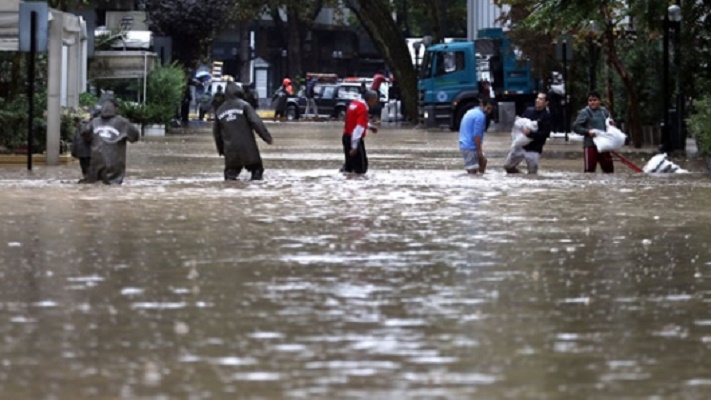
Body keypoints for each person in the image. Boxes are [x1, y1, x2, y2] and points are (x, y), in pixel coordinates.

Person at [213, 82, 273, 181]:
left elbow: (217, 134)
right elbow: (256, 122)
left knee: (230, 175)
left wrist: (221, 150)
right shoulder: (244, 106)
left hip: (230, 152)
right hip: (248, 149)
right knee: (257, 171)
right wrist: (267, 138)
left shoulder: (220, 111)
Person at [79, 98, 140, 185]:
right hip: (114, 165)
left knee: (94, 185)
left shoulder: (94, 121)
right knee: (112, 185)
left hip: (95, 162)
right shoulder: (123, 122)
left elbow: (85, 134)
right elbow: (135, 137)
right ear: (116, 109)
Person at [503, 92, 552, 174]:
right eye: (537, 98)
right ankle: (521, 177)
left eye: (541, 99)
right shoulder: (529, 111)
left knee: (532, 173)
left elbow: (545, 134)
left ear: (546, 103)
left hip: (534, 149)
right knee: (508, 166)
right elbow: (520, 123)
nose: (537, 100)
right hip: (521, 146)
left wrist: (530, 134)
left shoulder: (546, 116)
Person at [572, 90, 615, 173]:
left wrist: (612, 124)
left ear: (599, 101)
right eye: (590, 100)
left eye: (594, 100)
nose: (592, 102)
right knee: (589, 171)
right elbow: (575, 126)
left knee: (609, 171)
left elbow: (610, 125)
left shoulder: (604, 111)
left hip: (604, 145)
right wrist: (587, 132)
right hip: (590, 145)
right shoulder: (585, 112)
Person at [342, 89, 379, 175]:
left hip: (346, 137)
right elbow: (358, 128)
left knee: (349, 167)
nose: (376, 103)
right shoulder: (363, 109)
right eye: (375, 100)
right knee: (361, 169)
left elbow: (354, 121)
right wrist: (354, 147)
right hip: (354, 138)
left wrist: (369, 126)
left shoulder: (354, 104)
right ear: (370, 99)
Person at [458, 99, 494, 174]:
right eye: (488, 108)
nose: (489, 111)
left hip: (464, 144)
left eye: (491, 109)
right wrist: (479, 151)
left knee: (483, 162)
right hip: (470, 146)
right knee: (472, 172)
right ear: (481, 105)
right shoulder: (480, 116)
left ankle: (481, 182)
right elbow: (476, 136)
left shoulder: (472, 112)